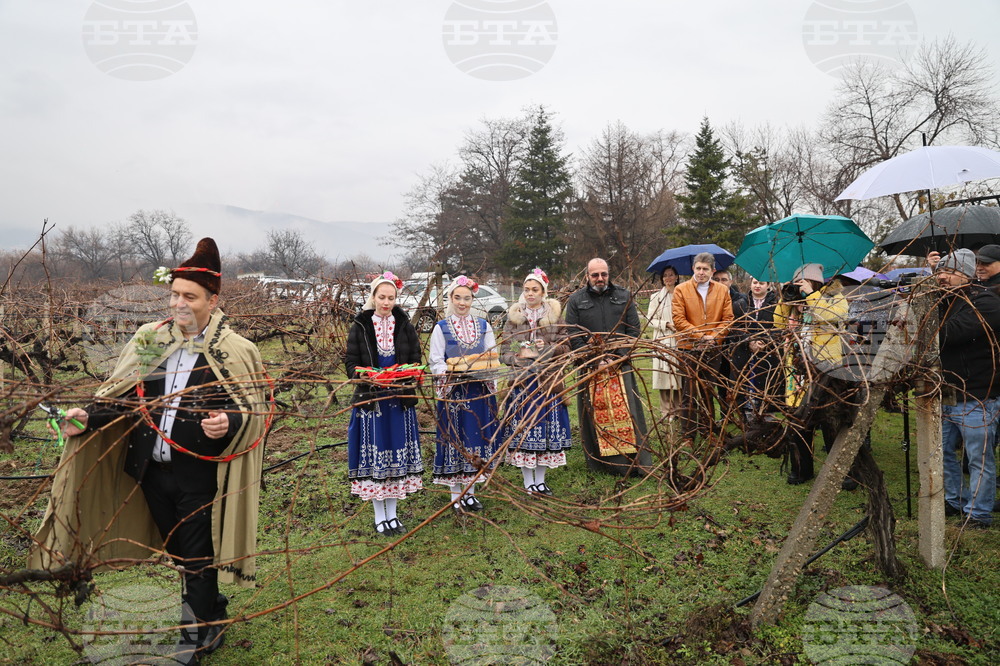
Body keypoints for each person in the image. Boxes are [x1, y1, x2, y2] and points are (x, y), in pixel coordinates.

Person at [30, 238, 268, 664]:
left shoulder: (235, 349)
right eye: (174, 294)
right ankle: (212, 613)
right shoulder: (149, 339)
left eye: (190, 297)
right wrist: (86, 417)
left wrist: (227, 422)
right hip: (150, 470)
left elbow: (249, 407)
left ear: (212, 300)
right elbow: (123, 396)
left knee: (195, 555)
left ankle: (190, 640)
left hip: (199, 472)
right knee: (181, 553)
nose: (179, 303)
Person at [345, 271, 424, 536]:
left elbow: (415, 357)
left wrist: (407, 374)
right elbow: (350, 364)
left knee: (395, 458)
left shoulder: (405, 325)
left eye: (391, 297)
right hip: (372, 401)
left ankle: (393, 514)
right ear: (373, 297)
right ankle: (380, 516)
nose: (386, 302)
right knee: (377, 459)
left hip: (398, 400)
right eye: (382, 297)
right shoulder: (360, 326)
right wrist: (368, 376)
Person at [565, 258, 651, 476]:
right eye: (595, 275)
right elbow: (573, 335)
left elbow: (633, 331)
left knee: (629, 413)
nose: (600, 279)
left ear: (609, 274)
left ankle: (634, 462)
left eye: (603, 274)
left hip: (620, 367)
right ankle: (603, 464)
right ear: (587, 276)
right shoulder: (576, 300)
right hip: (590, 367)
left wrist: (617, 357)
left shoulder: (623, 295)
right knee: (594, 415)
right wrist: (595, 360)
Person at [935, 249, 1000, 527]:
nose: (941, 277)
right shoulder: (944, 300)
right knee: (941, 451)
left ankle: (978, 513)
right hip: (945, 392)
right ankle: (954, 500)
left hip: (977, 394)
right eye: (939, 271)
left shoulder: (984, 302)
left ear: (966, 273)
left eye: (948, 271)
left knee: (978, 458)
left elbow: (948, 334)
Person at [429, 275, 500, 512]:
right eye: (457, 298)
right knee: (455, 439)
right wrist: (451, 372)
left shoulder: (483, 326)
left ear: (473, 299)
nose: (462, 303)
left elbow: (492, 357)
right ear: (450, 298)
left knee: (474, 438)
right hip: (454, 394)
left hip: (478, 392)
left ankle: (470, 492)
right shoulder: (441, 328)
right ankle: (455, 494)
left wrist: (484, 372)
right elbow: (436, 361)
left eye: (467, 298)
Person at [500, 268, 572, 496]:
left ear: (543, 292)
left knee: (545, 432)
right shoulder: (513, 318)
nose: (530, 294)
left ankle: (540, 480)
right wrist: (518, 357)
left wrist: (547, 350)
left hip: (548, 382)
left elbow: (567, 347)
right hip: (521, 382)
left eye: (535, 290)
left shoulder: (555, 317)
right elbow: (503, 352)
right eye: (527, 290)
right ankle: (527, 481)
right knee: (524, 432)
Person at [778, 263, 848, 484]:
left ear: (816, 283)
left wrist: (810, 295)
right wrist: (785, 299)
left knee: (831, 422)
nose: (800, 287)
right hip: (798, 370)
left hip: (826, 370)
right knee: (799, 421)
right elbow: (778, 323)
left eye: (804, 283)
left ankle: (843, 472)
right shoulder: (794, 302)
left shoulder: (834, 296)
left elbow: (831, 316)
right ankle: (801, 469)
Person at [672, 252, 734, 441]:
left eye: (705, 269)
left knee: (708, 391)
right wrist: (700, 336)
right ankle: (688, 436)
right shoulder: (681, 290)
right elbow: (678, 319)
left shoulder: (722, 290)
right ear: (693, 269)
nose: (701, 272)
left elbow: (728, 319)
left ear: (712, 270)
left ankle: (707, 432)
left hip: (713, 349)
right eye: (698, 268)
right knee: (689, 393)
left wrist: (713, 338)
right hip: (688, 347)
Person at [730, 278, 781, 421]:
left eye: (761, 283)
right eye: (755, 283)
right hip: (744, 353)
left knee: (765, 385)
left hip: (767, 354)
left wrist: (765, 341)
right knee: (743, 384)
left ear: (769, 285)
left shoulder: (775, 306)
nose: (757, 285)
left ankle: (766, 417)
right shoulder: (740, 305)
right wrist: (749, 341)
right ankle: (746, 418)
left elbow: (779, 329)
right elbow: (734, 328)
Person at [646, 266, 682, 420]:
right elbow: (649, 319)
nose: (668, 278)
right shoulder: (656, 297)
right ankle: (666, 411)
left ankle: (679, 410)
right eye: (665, 275)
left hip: (679, 338)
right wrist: (666, 324)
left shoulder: (683, 295)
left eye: (671, 275)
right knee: (663, 376)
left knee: (678, 375)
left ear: (676, 277)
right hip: (662, 339)